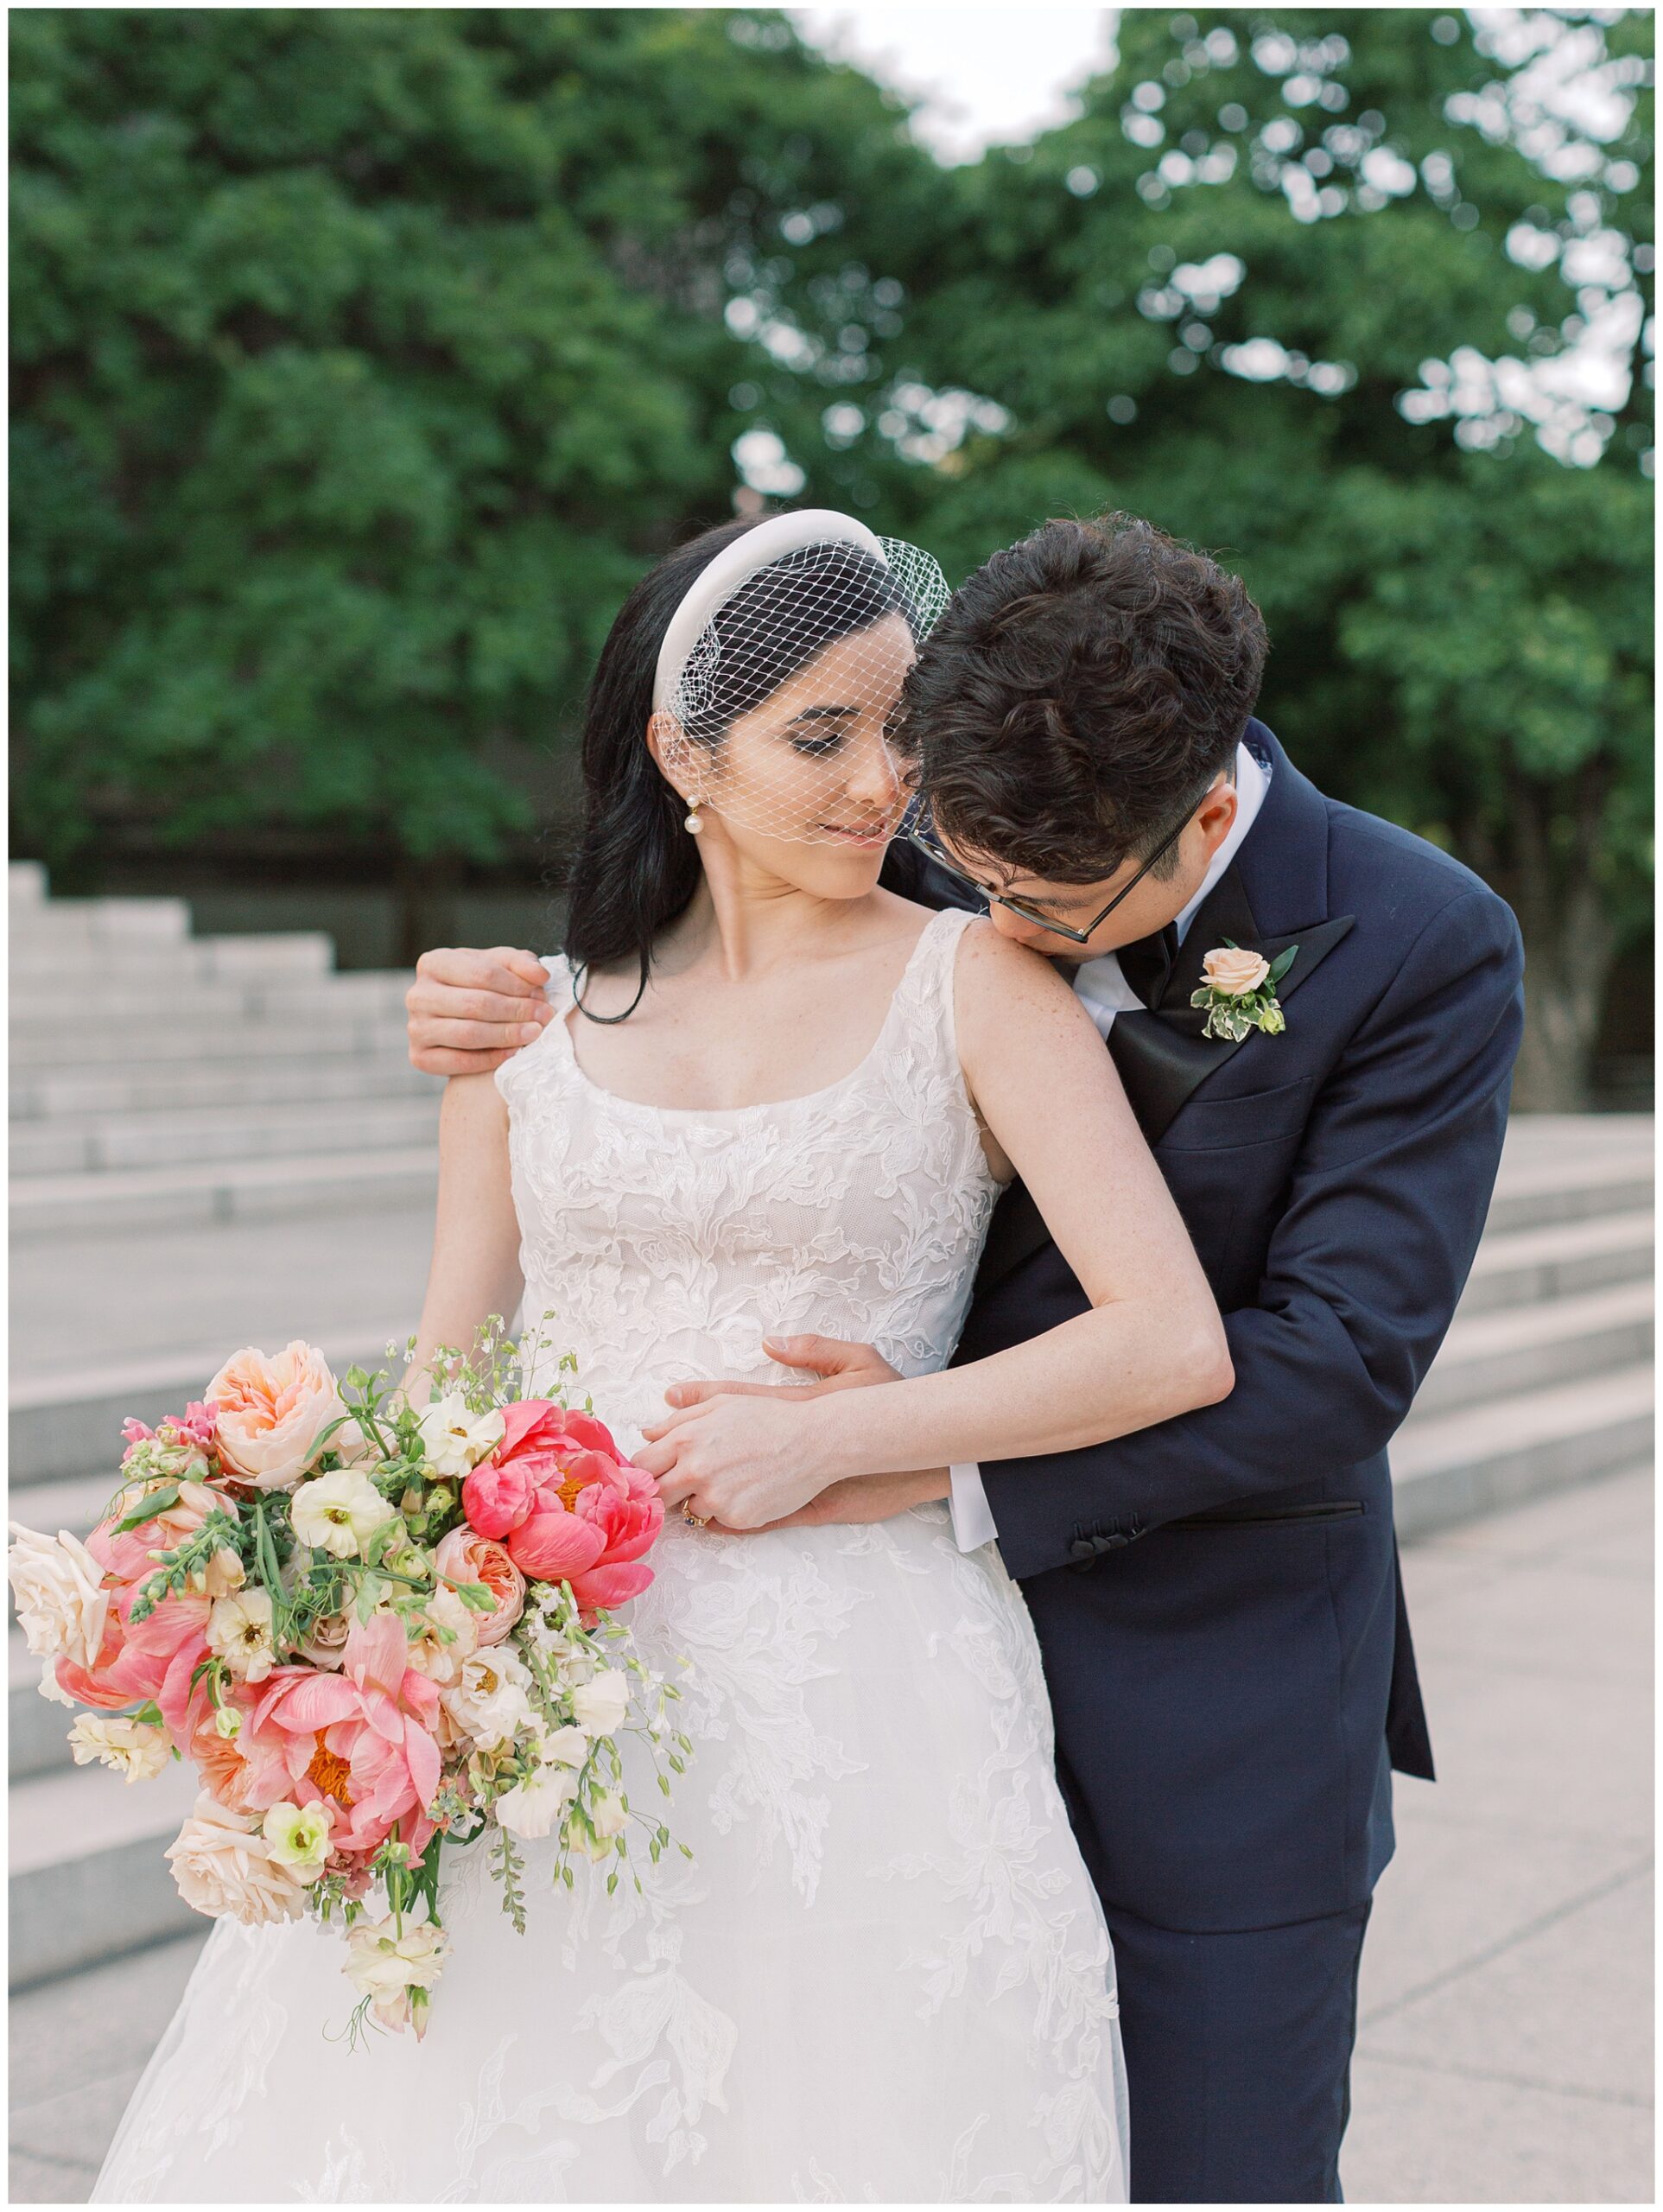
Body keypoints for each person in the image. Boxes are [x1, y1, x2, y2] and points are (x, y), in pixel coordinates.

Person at [92, 511, 1241, 2203]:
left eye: (907, 731)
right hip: (546, 1678)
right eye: (821, 733)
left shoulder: (978, 981)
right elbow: (445, 1377)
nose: (879, 782)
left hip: (871, 1674)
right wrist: (327, 1610)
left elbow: (1172, 1337)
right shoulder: (524, 1032)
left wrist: (843, 1436)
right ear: (679, 751)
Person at [409, 510, 1527, 2203]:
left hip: (1203, 1690)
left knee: (1216, 2167)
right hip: (843, 1691)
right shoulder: (961, 805)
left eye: (1038, 902)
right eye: (961, 854)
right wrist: (506, 1006)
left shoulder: (1416, 938)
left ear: (1204, 821)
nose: (981, 906)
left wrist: (905, 1451)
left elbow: (1330, 1360)